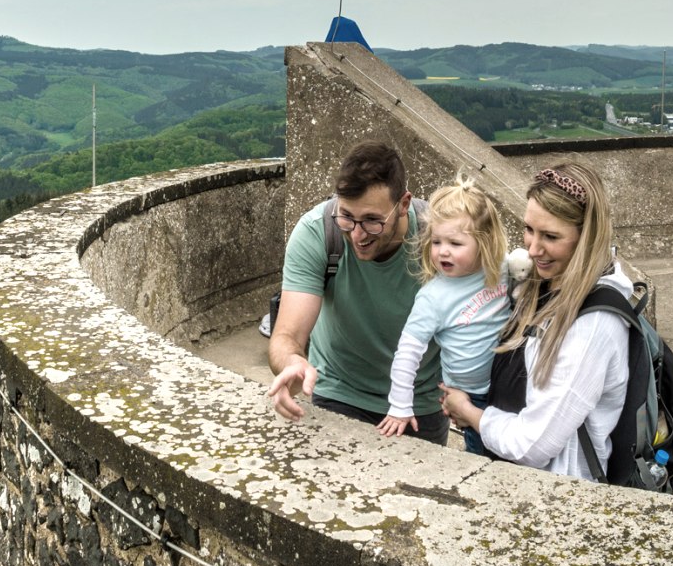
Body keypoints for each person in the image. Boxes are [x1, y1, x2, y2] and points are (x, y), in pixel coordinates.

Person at [441, 162, 632, 480]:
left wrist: (472, 414)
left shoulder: (593, 324)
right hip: (506, 472)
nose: (532, 248)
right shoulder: (543, 278)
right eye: (529, 229)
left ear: (587, 237)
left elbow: (534, 445)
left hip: (555, 496)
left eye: (551, 236)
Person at [266, 141, 448, 444]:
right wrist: (293, 363)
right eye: (347, 216)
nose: (357, 234)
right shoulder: (317, 232)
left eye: (372, 221)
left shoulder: (440, 238)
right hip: (339, 390)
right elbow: (286, 337)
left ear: (403, 204)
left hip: (421, 402)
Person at [377, 177, 512, 455]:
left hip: (508, 387)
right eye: (436, 241)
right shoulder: (433, 297)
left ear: (485, 242)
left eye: (455, 242)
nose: (443, 251)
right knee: (482, 456)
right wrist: (401, 405)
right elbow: (407, 353)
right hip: (469, 397)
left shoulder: (502, 269)